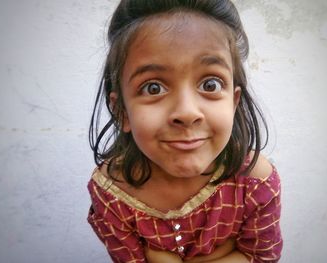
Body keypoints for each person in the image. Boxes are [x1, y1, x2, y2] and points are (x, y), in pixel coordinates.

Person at [87, 0, 283, 262]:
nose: (188, 112)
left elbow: (263, 257)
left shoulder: (254, 182)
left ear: (233, 102)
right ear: (122, 111)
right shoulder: (112, 193)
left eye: (210, 84)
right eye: (153, 88)